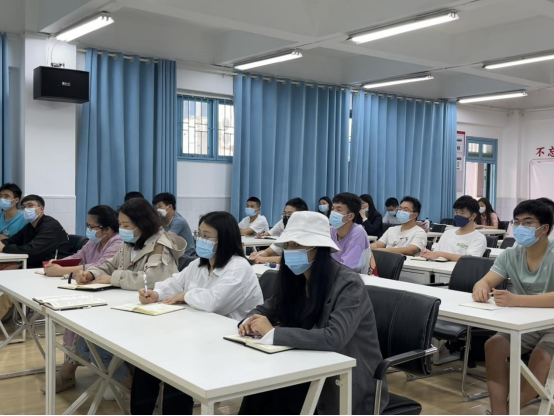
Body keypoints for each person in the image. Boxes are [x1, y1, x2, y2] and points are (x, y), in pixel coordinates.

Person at [237, 211, 388, 415]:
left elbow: (334, 337)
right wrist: (249, 320)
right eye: (287, 245)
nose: (290, 251)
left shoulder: (348, 284)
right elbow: (266, 308)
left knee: (271, 396)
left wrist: (273, 333)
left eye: (298, 245)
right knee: (258, 392)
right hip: (302, 365)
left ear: (320, 249)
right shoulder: (296, 277)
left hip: (343, 378)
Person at [133, 211, 264, 415]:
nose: (200, 240)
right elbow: (175, 283)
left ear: (225, 238)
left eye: (206, 236)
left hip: (231, 341)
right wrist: (155, 293)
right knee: (147, 362)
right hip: (200, 333)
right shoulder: (200, 263)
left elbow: (214, 302)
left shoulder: (239, 267)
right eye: (199, 234)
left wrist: (185, 295)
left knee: (176, 368)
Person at [73, 199, 187, 394]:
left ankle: (135, 390)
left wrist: (114, 278)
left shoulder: (160, 245)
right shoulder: (129, 242)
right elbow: (110, 264)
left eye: (126, 225)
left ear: (142, 224)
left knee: (93, 343)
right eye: (120, 224)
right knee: (86, 341)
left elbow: (152, 280)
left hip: (153, 313)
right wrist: (91, 274)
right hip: (126, 307)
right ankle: (133, 386)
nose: (122, 229)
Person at [472, 200, 554, 415]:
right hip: (525, 322)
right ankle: (499, 411)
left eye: (528, 222)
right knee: (493, 346)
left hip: (552, 324)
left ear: (544, 228)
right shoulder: (511, 254)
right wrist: (481, 288)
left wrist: (516, 300)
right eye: (516, 222)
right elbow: (485, 281)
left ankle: (509, 411)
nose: (520, 227)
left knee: (541, 357)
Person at [41, 205, 123, 395]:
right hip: (88, 289)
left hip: (108, 295)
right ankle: (69, 369)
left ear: (107, 229)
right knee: (72, 318)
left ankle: (68, 373)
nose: (89, 230)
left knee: (79, 323)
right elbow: (79, 257)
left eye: (92, 226)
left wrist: (61, 271)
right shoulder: (95, 242)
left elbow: (101, 266)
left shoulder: (117, 242)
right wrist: (58, 263)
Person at [0, 195, 71, 268]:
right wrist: (2, 243)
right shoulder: (30, 226)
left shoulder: (49, 226)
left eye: (30, 206)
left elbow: (32, 250)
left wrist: (4, 248)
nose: (26, 209)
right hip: (35, 264)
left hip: (53, 266)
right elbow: (13, 240)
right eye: (23, 207)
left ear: (41, 209)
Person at [421, 196, 487, 262]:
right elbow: (436, 253)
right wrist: (428, 254)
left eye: (462, 213)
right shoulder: (447, 233)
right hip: (438, 267)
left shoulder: (478, 238)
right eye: (456, 212)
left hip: (459, 268)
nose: (458, 215)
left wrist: (440, 254)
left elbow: (469, 260)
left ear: (473, 216)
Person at [250, 198, 309, 265]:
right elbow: (268, 251)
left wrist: (264, 259)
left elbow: (295, 259)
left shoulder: (308, 233)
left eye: (289, 214)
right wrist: (257, 255)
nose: (286, 217)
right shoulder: (287, 231)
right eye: (285, 213)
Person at [0, 183, 28, 322]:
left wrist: (5, 240)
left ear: (16, 200)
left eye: (6, 196)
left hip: (14, 262)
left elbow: (22, 243)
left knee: (4, 285)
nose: (2, 199)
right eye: (0, 196)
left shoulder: (23, 219)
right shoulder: (0, 216)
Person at [330, 193, 371, 274]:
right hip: (333, 275)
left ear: (350, 216)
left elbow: (347, 267)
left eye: (339, 210)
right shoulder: (332, 230)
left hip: (352, 278)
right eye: (332, 209)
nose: (333, 213)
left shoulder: (358, 232)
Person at [153, 192, 196, 257]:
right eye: (156, 208)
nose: (157, 210)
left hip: (187, 254)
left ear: (169, 206)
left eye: (160, 206)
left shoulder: (178, 221)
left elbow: (167, 238)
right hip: (174, 251)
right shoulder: (162, 219)